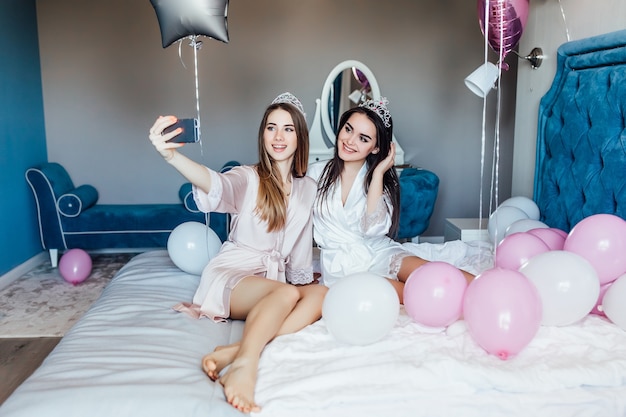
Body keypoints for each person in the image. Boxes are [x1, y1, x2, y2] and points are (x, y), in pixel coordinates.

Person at [148, 92, 327, 414]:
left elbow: (301, 248)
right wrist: (171, 156)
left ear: (300, 136)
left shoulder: (309, 188)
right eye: (271, 127)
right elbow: (215, 184)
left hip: (273, 282)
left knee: (322, 294)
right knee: (286, 295)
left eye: (288, 129)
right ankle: (246, 365)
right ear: (262, 134)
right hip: (233, 274)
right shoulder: (247, 177)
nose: (278, 136)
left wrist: (304, 286)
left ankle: (233, 351)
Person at [308, 97, 474, 302]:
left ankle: (495, 287)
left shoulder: (380, 180)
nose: (350, 141)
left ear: (376, 148)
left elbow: (372, 229)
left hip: (378, 250)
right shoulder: (315, 173)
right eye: (348, 129)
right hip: (340, 265)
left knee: (436, 275)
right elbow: (297, 223)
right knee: (419, 293)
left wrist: (378, 174)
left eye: (363, 138)